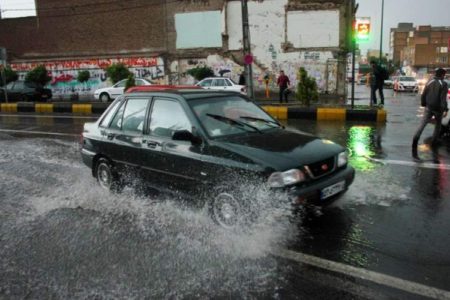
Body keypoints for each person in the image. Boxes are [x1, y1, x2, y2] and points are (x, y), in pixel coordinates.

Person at [412, 68, 448, 159]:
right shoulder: (443, 84)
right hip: (438, 109)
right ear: (442, 75)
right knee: (438, 125)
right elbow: (443, 99)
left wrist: (424, 104)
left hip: (429, 107)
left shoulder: (429, 82)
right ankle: (434, 142)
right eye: (444, 75)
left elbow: (423, 94)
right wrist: (445, 109)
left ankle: (415, 140)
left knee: (422, 124)